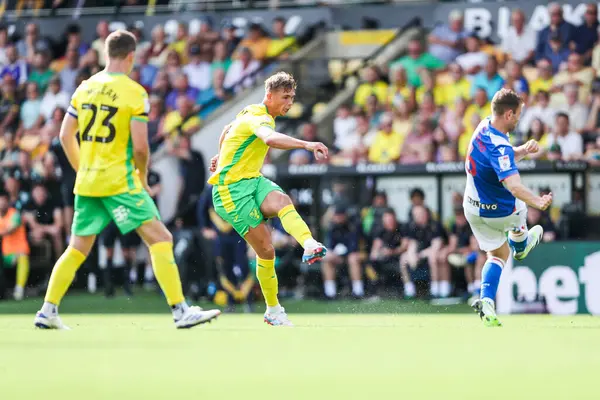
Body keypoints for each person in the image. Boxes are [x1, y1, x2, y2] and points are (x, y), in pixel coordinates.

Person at [34, 30, 220, 330]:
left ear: (107, 53)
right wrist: (143, 177)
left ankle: (47, 310)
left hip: (88, 182)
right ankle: (180, 311)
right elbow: (142, 147)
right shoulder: (134, 92)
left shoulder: (85, 87)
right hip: (119, 181)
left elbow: (65, 135)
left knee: (77, 247)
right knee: (162, 239)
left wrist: (83, 168)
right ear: (131, 56)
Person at [208, 71, 328, 326]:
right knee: (266, 249)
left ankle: (309, 244)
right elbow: (270, 140)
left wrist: (220, 156)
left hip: (252, 179)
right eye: (285, 97)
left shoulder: (250, 111)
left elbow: (226, 129)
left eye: (292, 97)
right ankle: (273, 310)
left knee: (283, 201)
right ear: (269, 95)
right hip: (230, 191)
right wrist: (307, 145)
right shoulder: (259, 118)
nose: (289, 103)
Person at [463, 88, 553, 327]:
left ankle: (487, 302)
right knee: (520, 201)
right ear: (509, 114)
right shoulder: (501, 147)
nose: (520, 119)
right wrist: (539, 202)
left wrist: (522, 150)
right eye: (519, 114)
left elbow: (499, 158)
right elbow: (513, 185)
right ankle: (521, 245)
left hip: (472, 209)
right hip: (500, 212)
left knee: (497, 255)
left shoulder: (482, 128)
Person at [0, 190, 30, 301]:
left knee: (22, 257)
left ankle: (19, 289)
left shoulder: (15, 214)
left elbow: (10, 230)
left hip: (17, 252)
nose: (1, 204)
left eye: (3, 201)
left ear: (8, 202)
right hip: (4, 255)